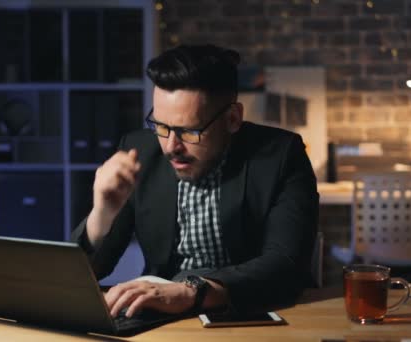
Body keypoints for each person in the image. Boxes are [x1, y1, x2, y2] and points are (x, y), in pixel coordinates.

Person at [71, 44, 318, 318]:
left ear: (233, 119)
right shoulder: (137, 151)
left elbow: (286, 265)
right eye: (161, 127)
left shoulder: (282, 155)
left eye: (188, 131)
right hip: (162, 315)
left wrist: (192, 292)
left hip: (251, 312)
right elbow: (82, 276)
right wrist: (102, 215)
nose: (170, 147)